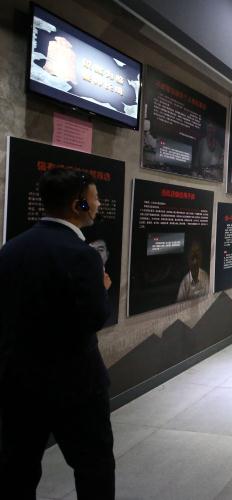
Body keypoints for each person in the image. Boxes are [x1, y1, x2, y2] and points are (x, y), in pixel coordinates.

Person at [0, 168, 114, 499]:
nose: (98, 204)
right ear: (79, 205)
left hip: (19, 382)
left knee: (18, 470)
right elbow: (95, 316)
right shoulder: (83, 255)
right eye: (94, 198)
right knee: (93, 468)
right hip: (76, 384)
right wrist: (103, 288)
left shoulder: (11, 249)